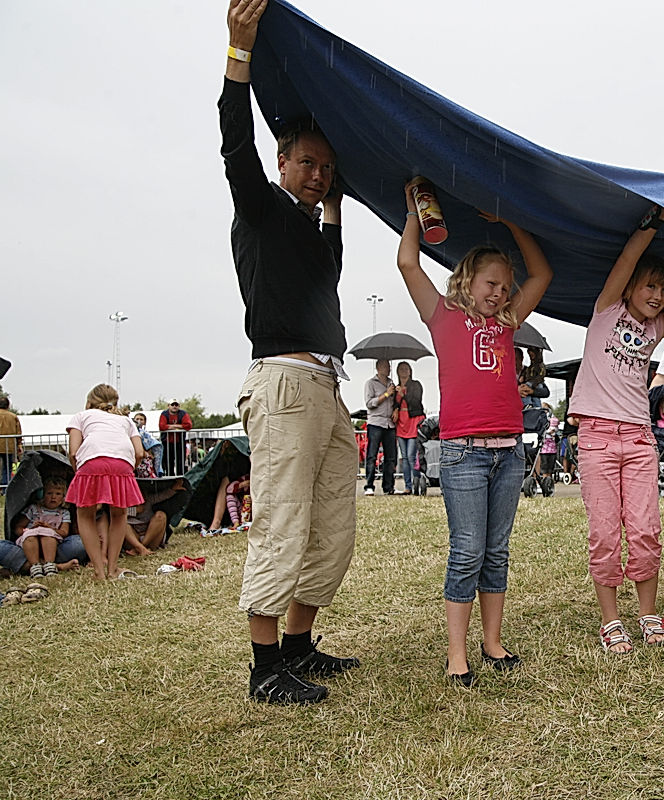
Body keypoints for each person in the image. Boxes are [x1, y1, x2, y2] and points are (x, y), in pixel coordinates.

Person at [223, 0, 361, 706]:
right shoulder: (259, 207)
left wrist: (347, 182)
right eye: (308, 163)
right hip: (280, 382)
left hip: (327, 389)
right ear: (282, 162)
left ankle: (301, 646)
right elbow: (234, 146)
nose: (317, 175)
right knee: (282, 524)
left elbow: (330, 265)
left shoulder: (311, 228)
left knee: (334, 525)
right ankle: (264, 670)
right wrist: (238, 56)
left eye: (326, 168)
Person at [396, 177, 552, 687]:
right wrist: (414, 216)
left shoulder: (507, 322)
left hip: (508, 452)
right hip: (462, 452)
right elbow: (407, 264)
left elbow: (543, 274)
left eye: (505, 287)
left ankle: (493, 642)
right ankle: (457, 653)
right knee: (467, 548)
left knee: (497, 550)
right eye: (491, 284)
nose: (500, 293)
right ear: (466, 281)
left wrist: (510, 225)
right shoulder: (442, 315)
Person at [568, 205, 664, 654]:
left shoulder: (656, 329)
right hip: (595, 438)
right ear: (631, 288)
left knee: (646, 528)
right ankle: (611, 620)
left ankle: (649, 612)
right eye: (650, 285)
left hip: (638, 439)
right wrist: (651, 225)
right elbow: (627, 261)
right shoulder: (606, 311)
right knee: (606, 533)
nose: (657, 294)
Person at [65, 384, 145, 581]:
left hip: (91, 462)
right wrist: (128, 471)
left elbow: (74, 451)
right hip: (123, 464)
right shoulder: (126, 421)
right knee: (119, 515)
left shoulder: (81, 417)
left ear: (90, 401)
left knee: (85, 515)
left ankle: (99, 572)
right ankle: (113, 568)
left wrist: (79, 472)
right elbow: (140, 452)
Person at [12, 476, 71, 578]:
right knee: (30, 537)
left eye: (58, 494)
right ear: (42, 495)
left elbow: (64, 532)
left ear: (63, 498)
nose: (53, 497)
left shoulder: (64, 513)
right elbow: (18, 528)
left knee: (48, 536)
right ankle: (35, 566)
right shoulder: (33, 509)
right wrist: (30, 531)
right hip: (30, 540)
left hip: (52, 543)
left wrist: (49, 528)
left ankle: (49, 564)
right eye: (49, 493)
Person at [363, 359, 396, 497]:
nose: (387, 369)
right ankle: (369, 486)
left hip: (390, 423)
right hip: (376, 423)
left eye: (388, 366)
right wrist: (386, 394)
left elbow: (395, 402)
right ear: (377, 368)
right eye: (384, 366)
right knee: (372, 455)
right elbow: (370, 403)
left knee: (391, 457)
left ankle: (388, 487)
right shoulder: (370, 383)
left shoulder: (391, 383)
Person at [392, 361, 426, 495]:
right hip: (401, 423)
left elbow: (416, 401)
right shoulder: (395, 388)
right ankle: (407, 486)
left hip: (413, 421)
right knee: (404, 457)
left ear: (410, 371)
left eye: (406, 369)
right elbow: (395, 404)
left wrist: (403, 393)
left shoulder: (416, 385)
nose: (404, 371)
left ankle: (416, 483)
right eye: (401, 369)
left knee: (412, 456)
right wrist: (395, 409)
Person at [158, 401, 193, 476]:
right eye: (172, 404)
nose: (174, 406)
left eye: (176, 405)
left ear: (179, 406)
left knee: (181, 462)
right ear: (168, 406)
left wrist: (170, 426)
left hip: (180, 442)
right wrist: (179, 426)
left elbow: (188, 425)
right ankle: (169, 478)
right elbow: (162, 426)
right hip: (167, 442)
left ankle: (181, 479)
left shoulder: (183, 413)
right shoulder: (164, 414)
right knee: (167, 462)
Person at [131, 413, 163, 478]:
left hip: (144, 456)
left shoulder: (145, 434)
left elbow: (150, 444)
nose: (139, 421)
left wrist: (149, 452)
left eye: (141, 419)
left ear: (145, 422)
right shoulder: (131, 431)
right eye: (137, 419)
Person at [0, 395, 21, 493]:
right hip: (9, 446)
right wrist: (19, 445)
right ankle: (5, 489)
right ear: (8, 406)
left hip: (6, 445)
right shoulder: (13, 417)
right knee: (7, 469)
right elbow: (18, 432)